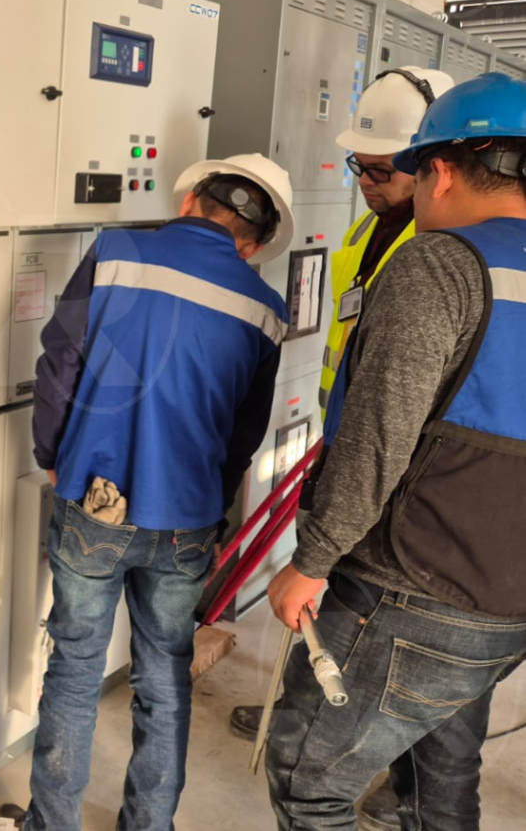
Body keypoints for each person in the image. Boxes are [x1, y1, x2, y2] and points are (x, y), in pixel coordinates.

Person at [0, 154, 294, 831]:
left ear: (189, 203)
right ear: (253, 245)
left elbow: (59, 363)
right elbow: (243, 436)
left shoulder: (116, 252)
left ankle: (51, 823)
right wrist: (212, 514)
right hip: (187, 519)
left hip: (95, 501)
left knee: (76, 669)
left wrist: (53, 456)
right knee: (164, 675)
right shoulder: (265, 309)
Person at [265, 71, 526, 831]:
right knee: (442, 773)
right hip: (509, 596)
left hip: (416, 584)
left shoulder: (440, 264)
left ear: (439, 172)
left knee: (310, 783)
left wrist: (312, 560)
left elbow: (379, 436)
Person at [229, 66, 455, 747]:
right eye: (359, 165)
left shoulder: (438, 255)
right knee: (330, 601)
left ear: (431, 164)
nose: (365, 181)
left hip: (395, 468)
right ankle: (303, 714)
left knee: (361, 611)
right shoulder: (366, 232)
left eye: (382, 170)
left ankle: (322, 739)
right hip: (345, 439)